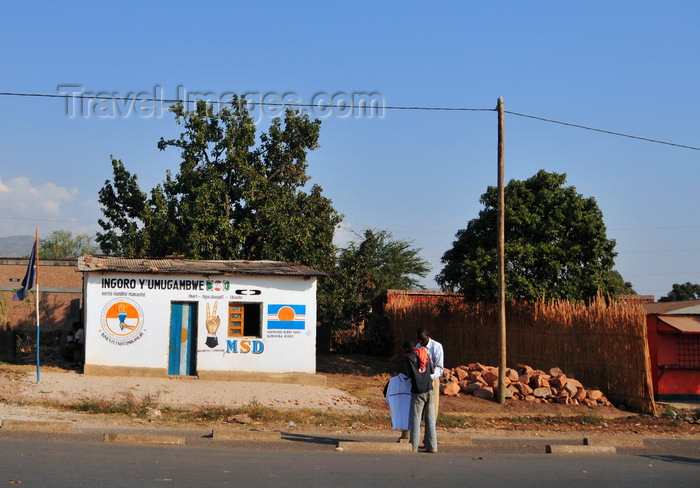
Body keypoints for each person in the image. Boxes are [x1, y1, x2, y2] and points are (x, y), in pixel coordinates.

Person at [404, 340, 437, 453]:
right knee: (431, 420)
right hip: (430, 391)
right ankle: (433, 447)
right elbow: (432, 371)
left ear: (407, 349)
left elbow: (408, 374)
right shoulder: (424, 353)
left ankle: (413, 447)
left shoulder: (408, 357)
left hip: (418, 392)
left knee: (416, 419)